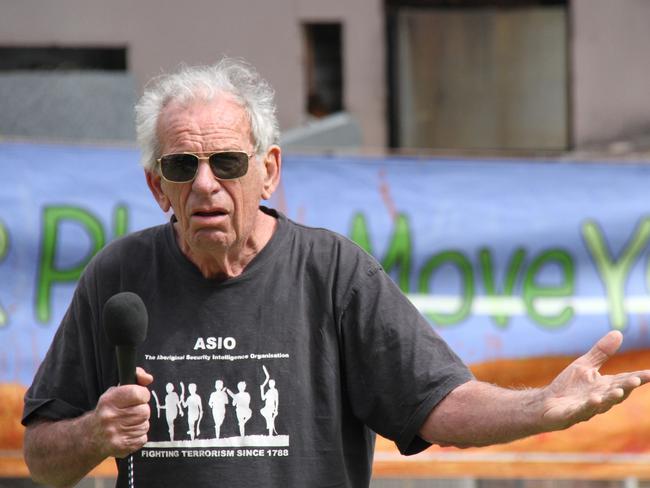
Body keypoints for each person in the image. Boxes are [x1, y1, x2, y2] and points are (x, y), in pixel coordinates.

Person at [21, 57, 650, 488]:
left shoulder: (333, 272)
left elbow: (438, 403)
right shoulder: (119, 277)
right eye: (183, 167)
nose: (206, 184)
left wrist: (542, 407)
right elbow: (43, 458)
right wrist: (95, 432)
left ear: (268, 170)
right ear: (158, 187)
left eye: (228, 162)